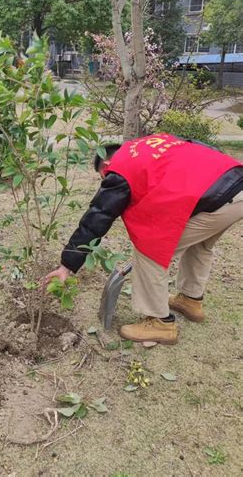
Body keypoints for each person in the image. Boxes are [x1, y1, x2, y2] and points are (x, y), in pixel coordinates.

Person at [44, 133, 243, 344]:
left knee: (149, 249)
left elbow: (98, 216)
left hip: (219, 198)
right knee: (200, 244)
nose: (107, 180)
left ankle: (161, 323)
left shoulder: (119, 168)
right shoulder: (149, 144)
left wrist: (67, 265)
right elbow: (199, 148)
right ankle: (190, 300)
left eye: (104, 176)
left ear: (107, 165)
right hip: (235, 182)